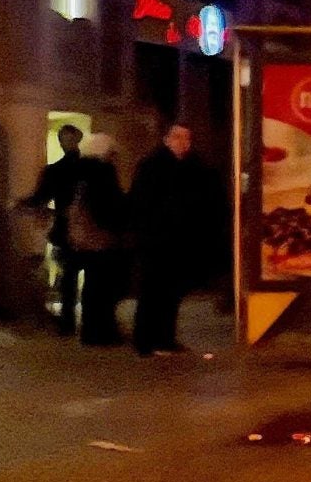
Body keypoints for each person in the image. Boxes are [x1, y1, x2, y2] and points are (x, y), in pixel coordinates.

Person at [128, 124, 222, 355]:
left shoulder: (194, 167)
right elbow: (140, 202)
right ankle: (146, 341)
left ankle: (166, 338)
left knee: (172, 292)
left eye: (187, 138)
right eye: (178, 137)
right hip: (156, 239)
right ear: (167, 139)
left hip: (181, 240)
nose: (183, 142)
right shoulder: (151, 166)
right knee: (152, 291)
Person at [66, 133, 129, 346]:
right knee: (103, 286)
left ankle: (91, 330)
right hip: (101, 237)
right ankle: (101, 331)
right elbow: (109, 205)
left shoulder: (78, 171)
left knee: (93, 285)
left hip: (85, 237)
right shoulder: (103, 172)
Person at [24, 123, 86, 332]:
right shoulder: (91, 168)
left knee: (68, 274)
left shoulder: (55, 170)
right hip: (91, 229)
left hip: (65, 226)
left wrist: (22, 203)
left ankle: (67, 321)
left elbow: (40, 197)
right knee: (89, 275)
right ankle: (90, 318)